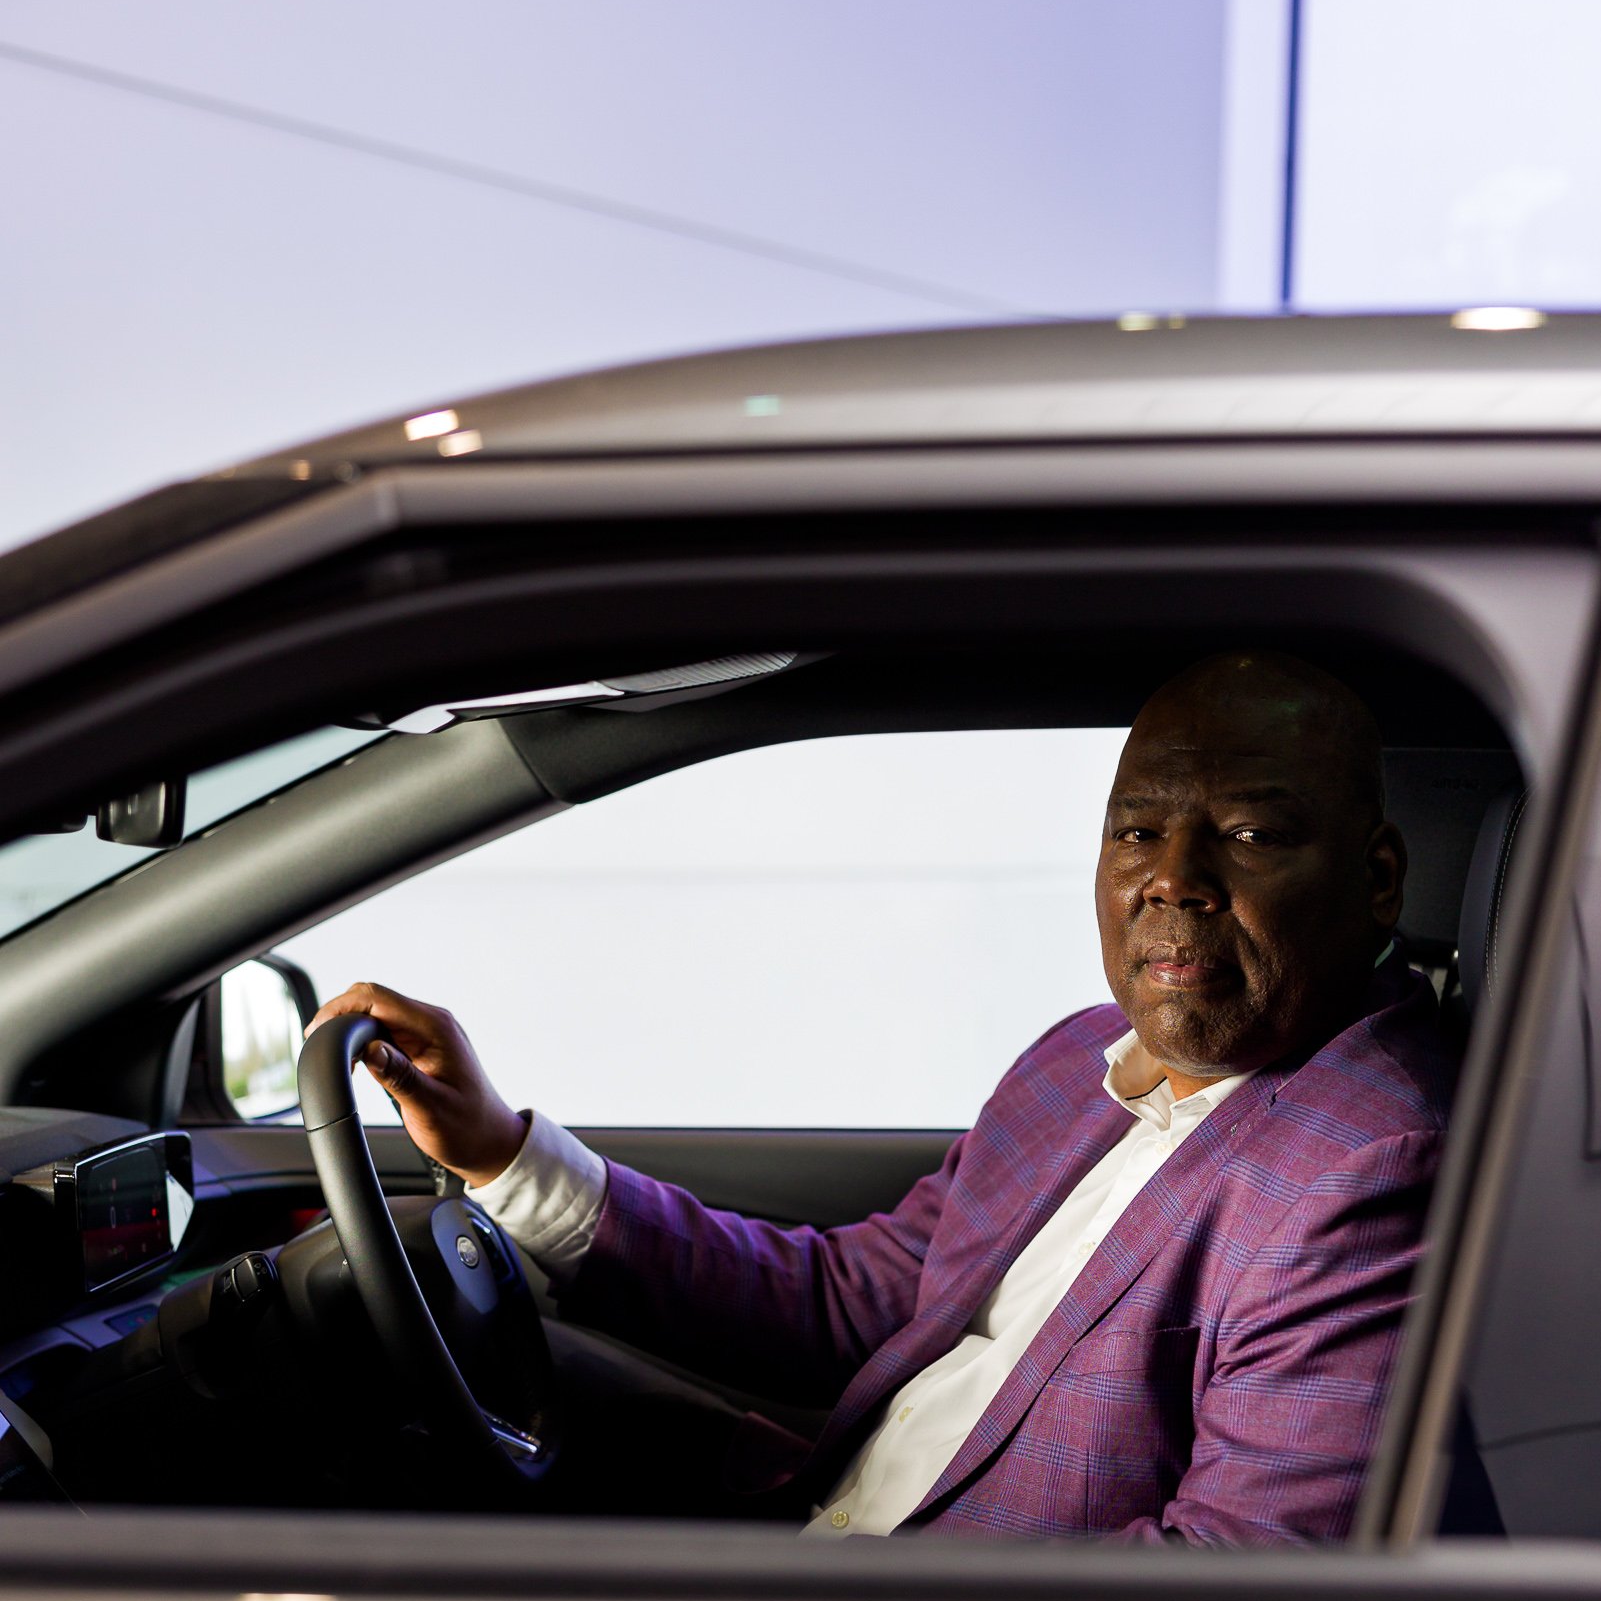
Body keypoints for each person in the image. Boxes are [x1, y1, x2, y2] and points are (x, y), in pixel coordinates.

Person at [311, 652, 1454, 1545]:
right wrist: (505, 1154)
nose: (1171, 879)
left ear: (1374, 878)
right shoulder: (1078, 1060)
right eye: (1139, 831)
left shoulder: (1369, 1159)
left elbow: (1240, 1577)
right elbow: (858, 1301)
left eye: (1248, 834)